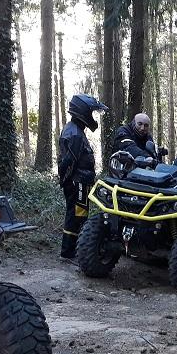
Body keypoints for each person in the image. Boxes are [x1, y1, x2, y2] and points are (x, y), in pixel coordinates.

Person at [57, 94, 108, 260]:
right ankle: (68, 252)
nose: (92, 117)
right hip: (77, 181)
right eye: (91, 112)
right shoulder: (75, 134)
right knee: (77, 216)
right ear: (83, 112)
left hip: (79, 181)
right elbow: (68, 161)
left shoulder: (74, 130)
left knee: (77, 214)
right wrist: (68, 181)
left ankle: (71, 251)